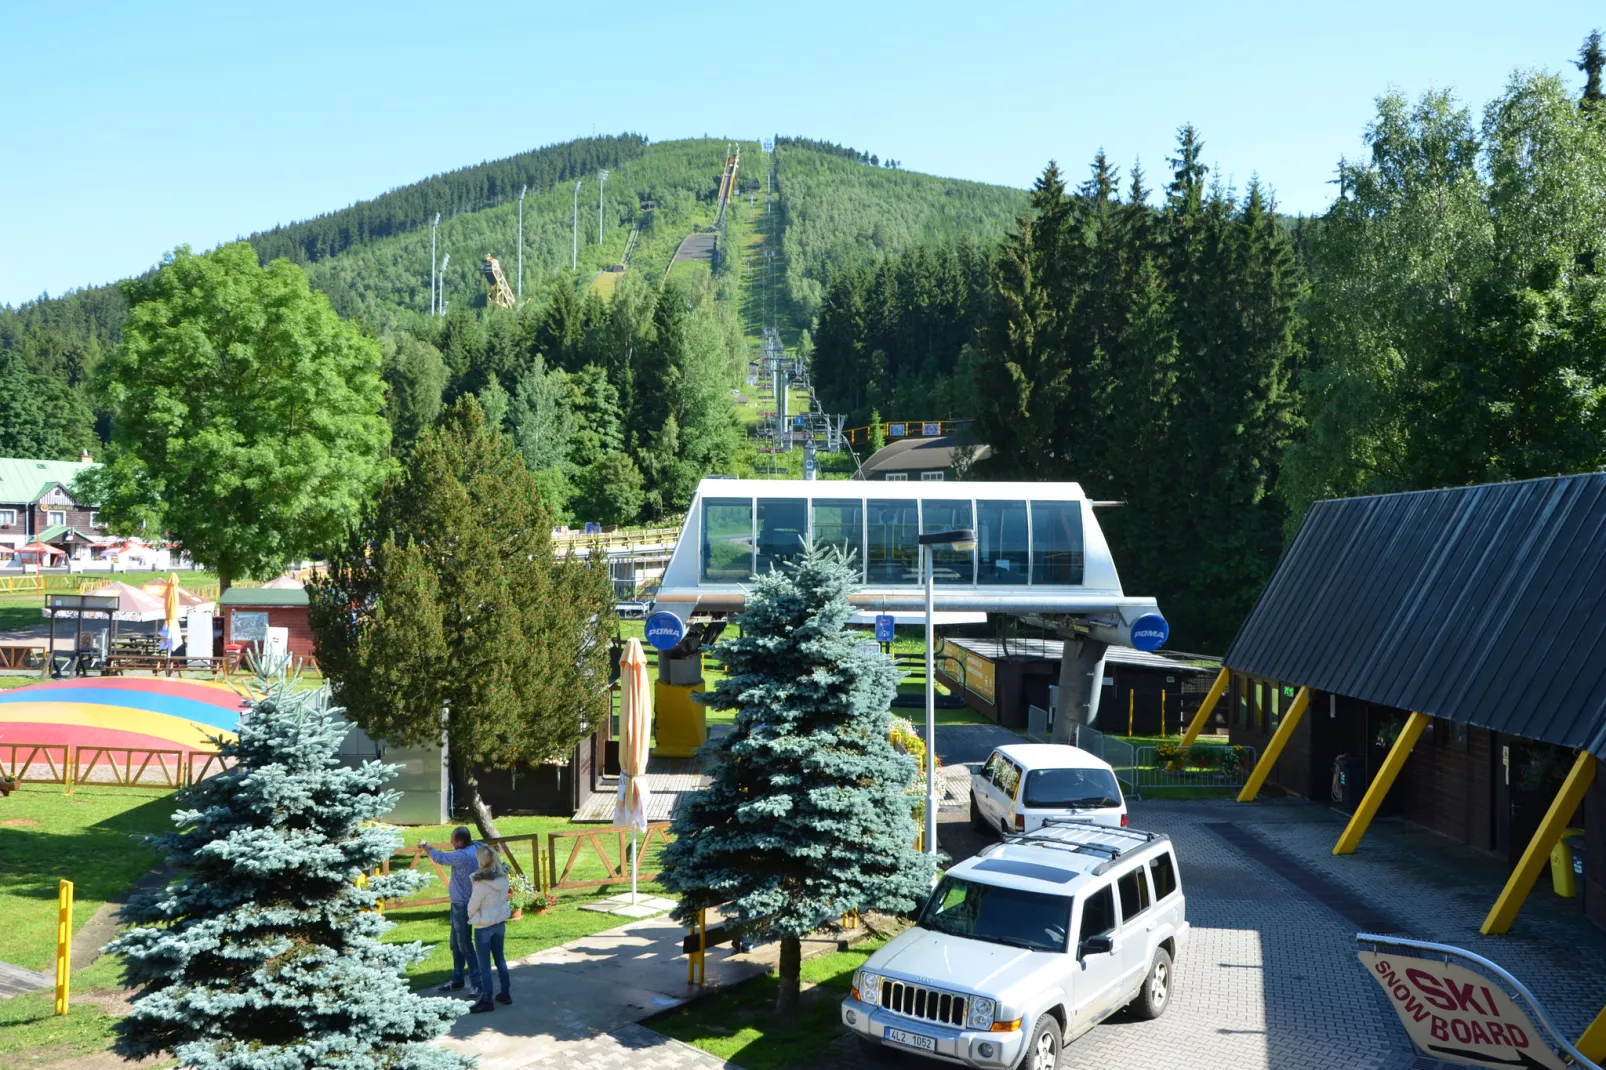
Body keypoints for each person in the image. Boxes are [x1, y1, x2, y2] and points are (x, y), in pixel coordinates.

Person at [418, 827, 481, 995]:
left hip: (463, 905)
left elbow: (439, 857)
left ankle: (477, 982)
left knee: (464, 944)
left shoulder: (462, 856)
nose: (451, 843)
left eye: (453, 840)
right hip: (459, 904)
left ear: (460, 841)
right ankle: (458, 979)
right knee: (455, 943)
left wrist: (425, 845)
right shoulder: (475, 847)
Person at [465, 845, 512, 1013]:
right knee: (500, 959)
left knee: (484, 964)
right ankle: (505, 993)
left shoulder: (481, 883)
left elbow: (472, 905)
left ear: (481, 860)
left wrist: (475, 918)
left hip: (484, 926)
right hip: (499, 923)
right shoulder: (503, 877)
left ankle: (487, 999)